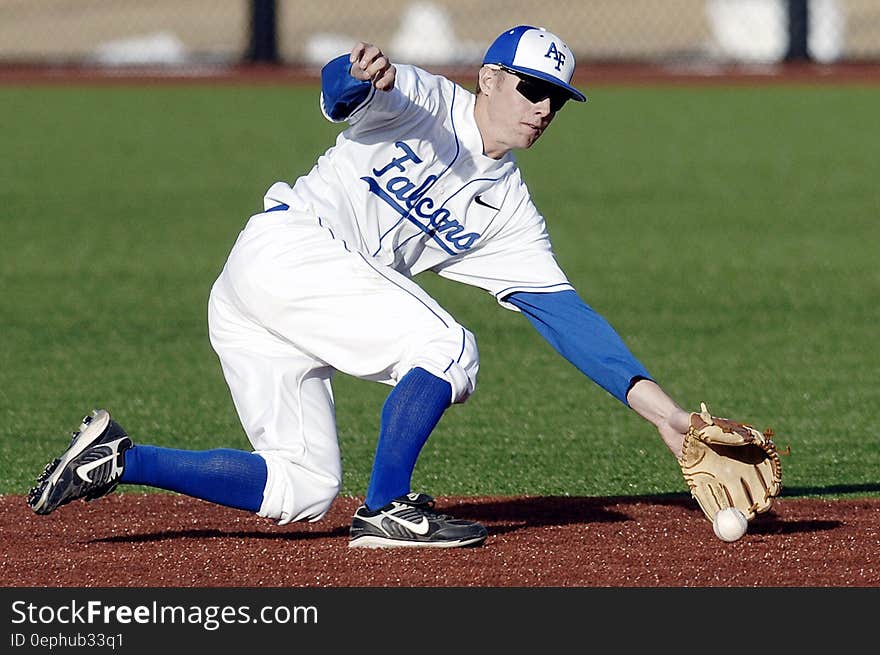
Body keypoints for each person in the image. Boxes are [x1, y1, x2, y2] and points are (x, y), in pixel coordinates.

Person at [28, 25, 694, 548]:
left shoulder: (510, 213)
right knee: (450, 349)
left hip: (277, 298)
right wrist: (356, 72)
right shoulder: (428, 100)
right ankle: (387, 511)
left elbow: (568, 318)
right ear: (489, 78)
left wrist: (668, 414)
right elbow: (339, 92)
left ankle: (120, 457)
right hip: (287, 248)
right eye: (531, 88)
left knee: (303, 486)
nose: (543, 108)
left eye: (556, 99)